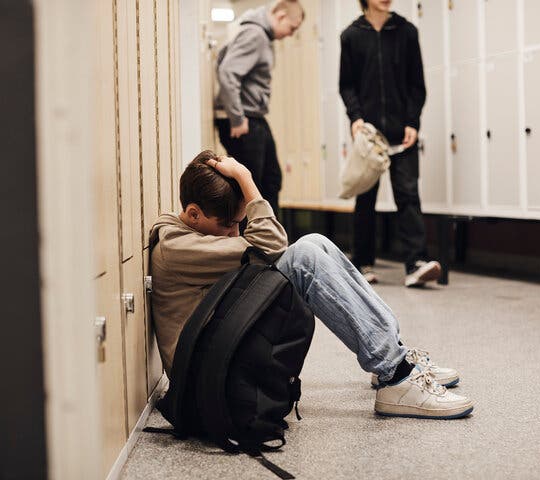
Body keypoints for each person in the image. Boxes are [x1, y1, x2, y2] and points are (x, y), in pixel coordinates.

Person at [149, 151, 474, 419]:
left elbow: (265, 244)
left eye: (240, 223)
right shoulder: (178, 248)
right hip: (207, 375)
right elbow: (273, 243)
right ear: (192, 214)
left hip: (220, 350)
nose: (236, 233)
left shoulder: (189, 233)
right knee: (301, 257)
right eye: (229, 225)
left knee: (315, 241)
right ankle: (396, 375)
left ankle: (394, 357)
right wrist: (247, 181)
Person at [339, 0, 441, 287]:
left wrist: (413, 121)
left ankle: (416, 264)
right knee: (366, 197)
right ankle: (362, 264)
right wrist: (355, 117)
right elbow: (346, 85)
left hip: (401, 131)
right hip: (369, 134)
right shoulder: (351, 35)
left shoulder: (406, 31)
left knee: (408, 194)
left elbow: (417, 84)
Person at [214, 0, 304, 217]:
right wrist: (237, 118)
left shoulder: (260, 35)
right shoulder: (255, 34)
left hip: (253, 117)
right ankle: (255, 246)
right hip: (244, 120)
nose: (291, 35)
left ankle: (269, 242)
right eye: (292, 28)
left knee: (270, 180)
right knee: (251, 187)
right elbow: (228, 72)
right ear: (281, 16)